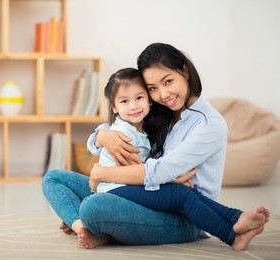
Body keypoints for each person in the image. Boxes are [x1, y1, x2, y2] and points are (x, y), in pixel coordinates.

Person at [42, 43, 270, 251]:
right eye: (152, 88)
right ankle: (84, 228)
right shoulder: (160, 114)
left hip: (182, 217)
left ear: (185, 71)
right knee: (53, 178)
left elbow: (162, 171)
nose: (163, 94)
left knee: (93, 206)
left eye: (168, 81)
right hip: (139, 195)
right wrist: (102, 135)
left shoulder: (211, 125)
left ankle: (98, 224)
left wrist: (101, 173)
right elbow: (116, 128)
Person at [90, 66, 269, 251]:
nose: (134, 106)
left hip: (126, 185)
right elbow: (140, 171)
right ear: (114, 107)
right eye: (125, 101)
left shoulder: (142, 128)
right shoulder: (124, 134)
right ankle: (231, 236)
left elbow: (145, 170)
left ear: (149, 100)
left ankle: (236, 217)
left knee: (187, 194)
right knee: (181, 194)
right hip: (117, 188)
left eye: (139, 98)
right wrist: (101, 136)